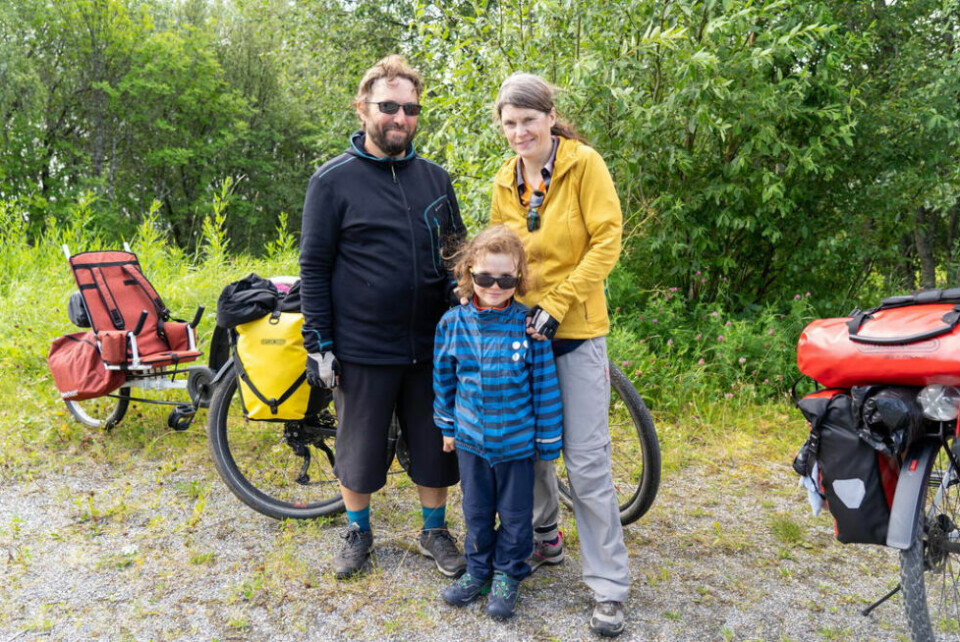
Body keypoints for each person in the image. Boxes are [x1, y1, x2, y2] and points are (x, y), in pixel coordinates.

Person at [299, 55, 467, 580]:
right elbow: (315, 265)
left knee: (435, 443)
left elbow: (457, 253)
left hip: (432, 344)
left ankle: (434, 530)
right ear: (362, 108)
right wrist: (318, 342)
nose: (400, 117)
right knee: (360, 448)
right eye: (389, 106)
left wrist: (468, 319)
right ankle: (358, 531)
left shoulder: (436, 178)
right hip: (362, 344)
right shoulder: (332, 182)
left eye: (410, 108)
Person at [489, 72, 630, 637]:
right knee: (528, 450)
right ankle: (543, 540)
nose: (520, 131)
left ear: (549, 117)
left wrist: (558, 302)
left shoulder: (583, 164)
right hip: (523, 332)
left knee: (587, 460)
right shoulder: (504, 181)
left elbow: (607, 240)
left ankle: (608, 587)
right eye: (510, 123)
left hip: (576, 331)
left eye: (528, 120)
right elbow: (503, 253)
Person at [433, 225, 563, 619]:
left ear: (518, 278)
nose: (494, 285)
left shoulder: (529, 328)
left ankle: (508, 573)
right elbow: (443, 378)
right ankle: (477, 570)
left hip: (517, 445)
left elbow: (544, 387)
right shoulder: (451, 324)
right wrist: (447, 427)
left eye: (505, 278)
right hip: (471, 442)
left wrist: (548, 440)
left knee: (516, 515)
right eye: (485, 277)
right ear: (469, 273)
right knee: (475, 510)